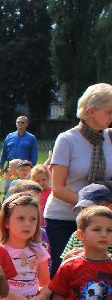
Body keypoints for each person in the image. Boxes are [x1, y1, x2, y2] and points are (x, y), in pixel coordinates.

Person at [47, 83, 112, 274]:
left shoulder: (109, 138)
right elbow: (57, 188)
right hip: (64, 220)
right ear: (91, 111)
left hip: (100, 223)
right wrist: (89, 207)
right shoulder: (67, 140)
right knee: (66, 274)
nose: (111, 117)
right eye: (108, 112)